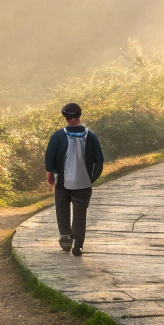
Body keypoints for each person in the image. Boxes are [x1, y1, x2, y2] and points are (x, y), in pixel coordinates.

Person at [45, 102, 104, 256]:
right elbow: (99, 160)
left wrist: (50, 174)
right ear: (79, 116)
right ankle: (78, 245)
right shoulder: (91, 136)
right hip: (83, 184)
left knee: (62, 209)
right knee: (80, 215)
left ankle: (65, 236)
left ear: (66, 118)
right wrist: (91, 178)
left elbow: (50, 157)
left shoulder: (58, 136)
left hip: (63, 183)